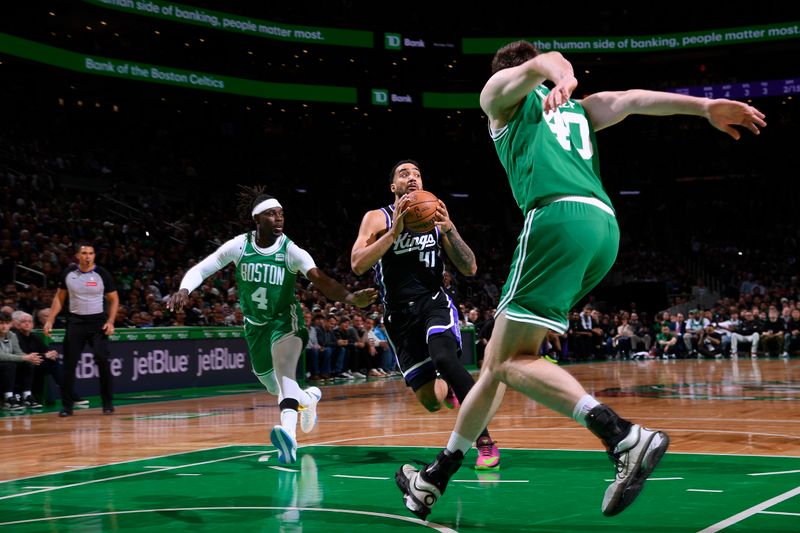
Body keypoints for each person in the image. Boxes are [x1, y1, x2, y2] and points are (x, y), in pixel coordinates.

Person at [395, 41, 766, 519]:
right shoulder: (580, 112)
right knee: (497, 363)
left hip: (557, 217)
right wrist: (704, 107)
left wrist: (562, 74)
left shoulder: (498, 97)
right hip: (603, 229)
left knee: (507, 362)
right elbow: (632, 98)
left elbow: (546, 61)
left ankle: (622, 436)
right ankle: (435, 477)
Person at [167, 186, 376, 464]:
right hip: (255, 327)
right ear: (257, 220)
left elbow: (320, 278)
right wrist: (184, 289)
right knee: (272, 384)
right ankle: (309, 398)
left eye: (281, 214)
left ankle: (288, 437)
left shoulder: (291, 251)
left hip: (285, 321)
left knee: (284, 372)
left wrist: (350, 297)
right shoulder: (240, 246)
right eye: (271, 214)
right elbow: (205, 267)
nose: (279, 219)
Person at [351, 159, 501, 470]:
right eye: (404, 174)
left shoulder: (435, 213)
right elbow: (358, 264)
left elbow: (470, 267)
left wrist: (450, 229)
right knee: (432, 401)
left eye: (417, 173)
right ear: (394, 187)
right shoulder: (377, 218)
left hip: (433, 303)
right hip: (398, 318)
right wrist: (393, 234)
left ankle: (484, 440)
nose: (413, 178)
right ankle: (454, 392)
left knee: (446, 359)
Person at [44, 243, 120, 417]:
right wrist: (50, 320)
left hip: (97, 323)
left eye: (91, 253)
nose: (88, 256)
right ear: (77, 256)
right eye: (84, 253)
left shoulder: (102, 274)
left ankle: (107, 403)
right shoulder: (68, 273)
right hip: (75, 322)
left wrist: (110, 321)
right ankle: (67, 406)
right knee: (69, 364)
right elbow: (59, 298)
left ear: (94, 256)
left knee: (102, 359)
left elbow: (114, 299)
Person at [0, 311, 42, 410]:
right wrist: (24, 357)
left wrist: (30, 358)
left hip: (7, 365)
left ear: (11, 324)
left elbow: (18, 352)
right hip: (3, 364)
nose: (4, 326)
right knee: (9, 365)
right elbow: (1, 356)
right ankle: (8, 398)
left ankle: (26, 396)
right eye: (1, 323)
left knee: (29, 364)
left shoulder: (11, 335)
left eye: (7, 323)